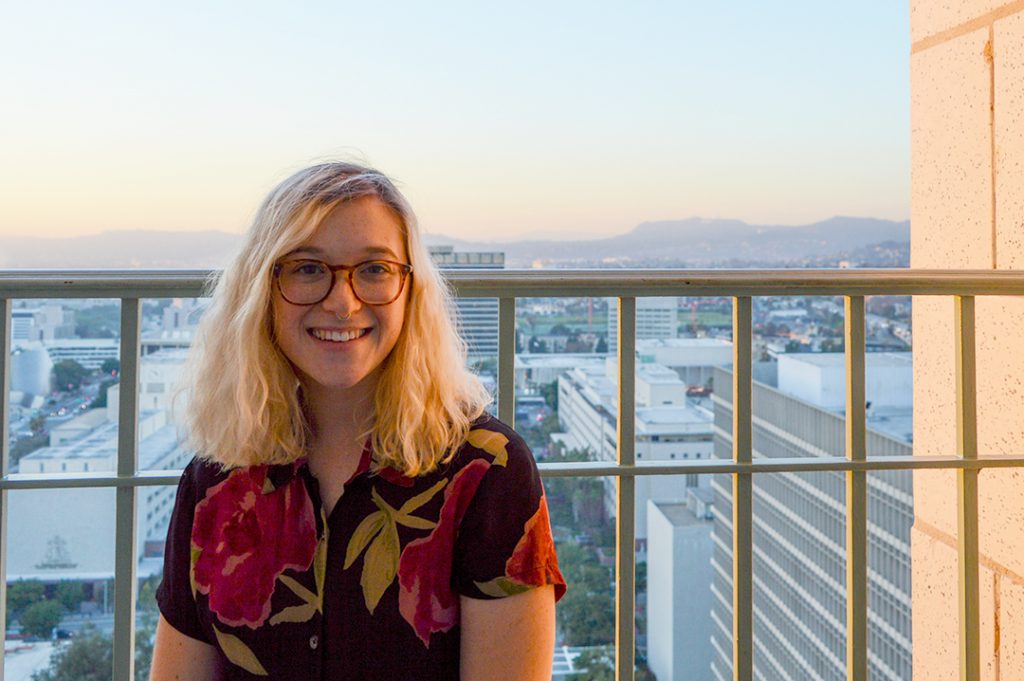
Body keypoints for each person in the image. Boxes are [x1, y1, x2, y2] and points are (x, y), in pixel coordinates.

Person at [150, 162, 566, 680]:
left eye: (374, 269)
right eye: (306, 268)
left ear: (410, 290)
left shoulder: (488, 473)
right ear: (260, 291)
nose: (343, 302)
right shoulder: (214, 477)